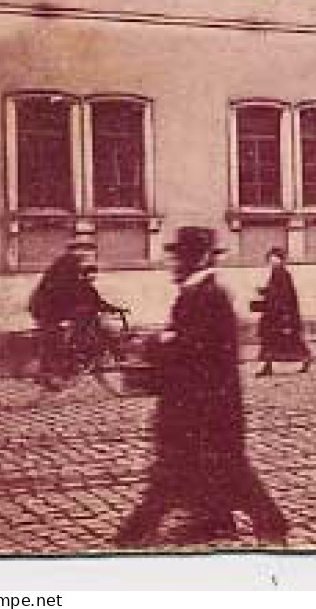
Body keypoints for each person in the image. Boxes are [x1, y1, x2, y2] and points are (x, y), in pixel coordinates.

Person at [114, 226, 287, 548]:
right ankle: (219, 522)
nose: (174, 265)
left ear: (195, 260)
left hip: (204, 409)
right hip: (202, 406)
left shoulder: (206, 296)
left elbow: (193, 352)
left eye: (180, 258)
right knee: (211, 469)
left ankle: (132, 536)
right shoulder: (198, 293)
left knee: (179, 473)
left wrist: (155, 345)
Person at [28, 235, 122, 385]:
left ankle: (76, 354)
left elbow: (89, 294)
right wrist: (85, 304)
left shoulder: (75, 265)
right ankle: (49, 374)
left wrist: (110, 308)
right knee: (54, 337)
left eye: (89, 249)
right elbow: (67, 290)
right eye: (83, 249)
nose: (87, 253)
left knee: (84, 316)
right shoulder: (66, 264)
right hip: (45, 306)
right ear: (75, 251)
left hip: (56, 305)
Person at [253, 247, 312, 377]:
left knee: (285, 340)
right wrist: (264, 291)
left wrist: (286, 315)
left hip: (280, 314)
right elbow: (276, 292)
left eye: (275, 257)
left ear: (280, 260)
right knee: (270, 340)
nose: (272, 260)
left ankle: (305, 358)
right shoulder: (276, 273)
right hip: (274, 313)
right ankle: (267, 366)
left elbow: (285, 295)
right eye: (270, 258)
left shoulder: (282, 273)